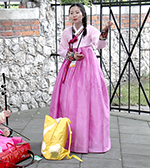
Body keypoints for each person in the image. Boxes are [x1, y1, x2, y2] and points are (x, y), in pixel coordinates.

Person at [49, 3, 113, 154]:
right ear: (69, 16)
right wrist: (71, 55)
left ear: (83, 14)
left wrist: (104, 31)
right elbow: (61, 50)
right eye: (71, 13)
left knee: (89, 100)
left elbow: (99, 45)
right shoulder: (66, 32)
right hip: (71, 67)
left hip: (87, 67)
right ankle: (69, 138)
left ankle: (90, 141)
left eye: (77, 12)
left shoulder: (90, 30)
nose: (74, 15)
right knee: (68, 100)